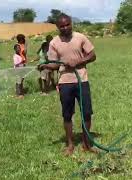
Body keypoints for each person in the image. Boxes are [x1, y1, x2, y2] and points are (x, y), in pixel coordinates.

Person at [41, 14, 97, 155]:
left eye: (67, 25)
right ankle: (70, 145)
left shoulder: (80, 37)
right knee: (67, 115)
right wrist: (46, 67)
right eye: (62, 26)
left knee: (87, 113)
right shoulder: (54, 43)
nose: (65, 28)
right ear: (58, 27)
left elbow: (92, 55)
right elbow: (54, 64)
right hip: (65, 82)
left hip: (81, 80)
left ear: (71, 23)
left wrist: (77, 62)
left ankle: (86, 143)